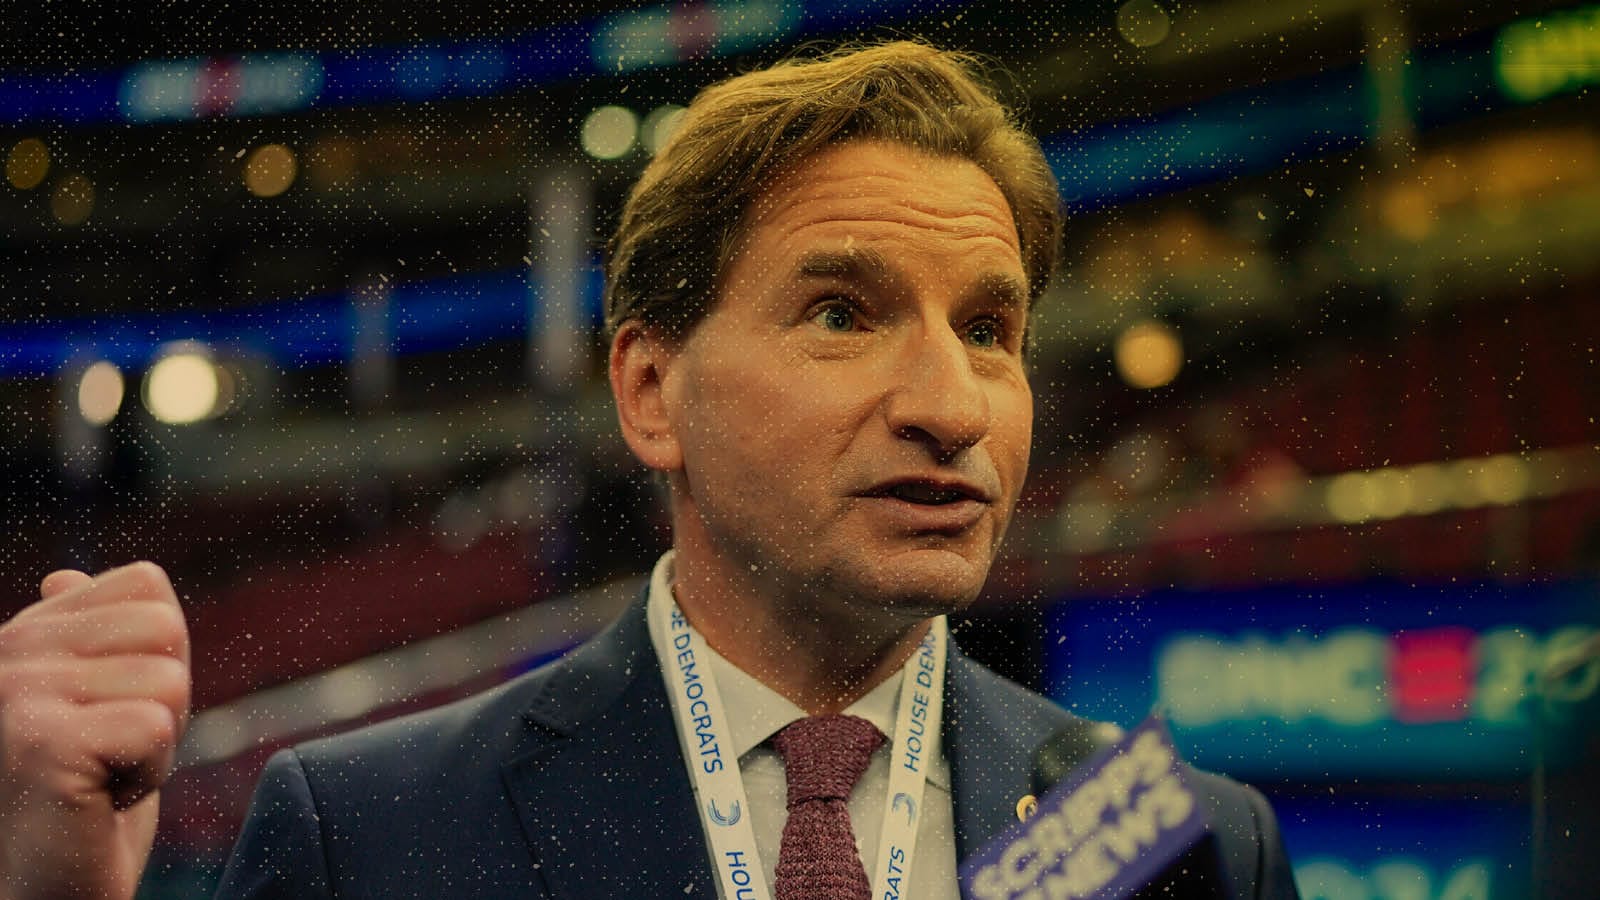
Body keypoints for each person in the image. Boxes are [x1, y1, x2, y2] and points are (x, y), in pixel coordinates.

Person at [0, 41, 1299, 899]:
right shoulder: (371, 836)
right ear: (650, 389)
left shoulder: (1183, 844)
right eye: (843, 312)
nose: (950, 406)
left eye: (988, 330)